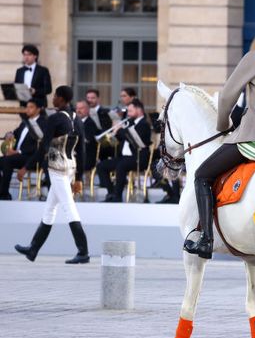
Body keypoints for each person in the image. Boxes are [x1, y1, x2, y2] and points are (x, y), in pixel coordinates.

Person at [184, 7, 255, 259]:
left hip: (253, 136)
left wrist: (222, 124)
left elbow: (228, 95)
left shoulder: (252, 59)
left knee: (203, 175)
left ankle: (206, 238)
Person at [14, 86, 89, 264]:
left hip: (56, 168)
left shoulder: (55, 119)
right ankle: (33, 249)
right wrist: (78, 178)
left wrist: (26, 166)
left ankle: (83, 251)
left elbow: (44, 147)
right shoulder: (77, 119)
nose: (53, 98)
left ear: (62, 99)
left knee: (69, 209)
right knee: (50, 210)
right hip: (71, 167)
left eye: (55, 96)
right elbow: (82, 149)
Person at [95, 99, 152, 202]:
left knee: (121, 166)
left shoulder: (144, 124)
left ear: (138, 110)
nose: (128, 114)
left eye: (130, 111)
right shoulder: (129, 122)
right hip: (124, 158)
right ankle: (111, 193)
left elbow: (133, 139)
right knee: (101, 166)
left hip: (138, 158)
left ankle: (117, 196)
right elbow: (121, 139)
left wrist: (121, 130)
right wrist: (114, 132)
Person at [0, 100, 47, 199]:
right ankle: (2, 190)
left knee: (8, 161)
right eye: (27, 107)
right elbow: (14, 133)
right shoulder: (25, 122)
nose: (27, 109)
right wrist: (9, 134)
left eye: (31, 107)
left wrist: (18, 152)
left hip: (31, 157)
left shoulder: (43, 123)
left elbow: (39, 145)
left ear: (38, 109)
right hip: (18, 156)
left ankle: (3, 194)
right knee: (3, 160)